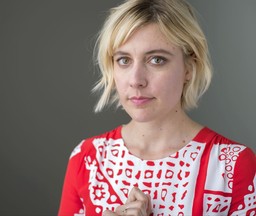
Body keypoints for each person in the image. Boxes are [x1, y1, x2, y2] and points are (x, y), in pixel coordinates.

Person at [58, 0, 256, 215]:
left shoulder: (232, 165)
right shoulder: (88, 158)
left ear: (189, 67)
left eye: (156, 60)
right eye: (124, 60)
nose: (136, 80)